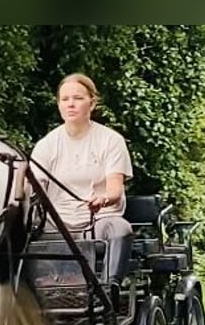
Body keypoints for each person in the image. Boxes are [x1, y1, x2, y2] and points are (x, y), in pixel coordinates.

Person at [30, 72, 134, 303]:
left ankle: (110, 290)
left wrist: (103, 200)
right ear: (58, 104)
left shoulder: (110, 140)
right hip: (56, 226)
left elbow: (115, 191)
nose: (70, 104)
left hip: (99, 220)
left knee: (120, 229)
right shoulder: (46, 145)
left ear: (92, 102)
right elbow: (33, 190)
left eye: (77, 98)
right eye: (65, 99)